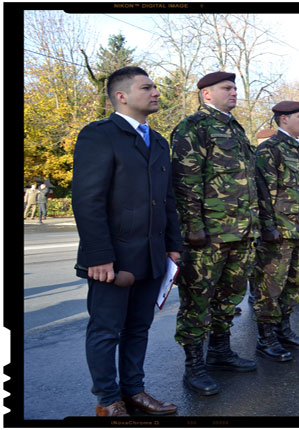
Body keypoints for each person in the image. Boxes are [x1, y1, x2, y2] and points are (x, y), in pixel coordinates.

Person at [72, 66, 182, 416]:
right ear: (121, 96)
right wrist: (99, 256)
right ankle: (108, 399)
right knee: (106, 330)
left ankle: (134, 390)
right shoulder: (99, 135)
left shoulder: (158, 140)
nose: (155, 92)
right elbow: (88, 200)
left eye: (155, 87)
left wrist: (172, 245)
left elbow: (168, 200)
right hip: (113, 257)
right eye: (146, 87)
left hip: (151, 255)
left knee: (139, 328)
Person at [170, 71, 260, 396]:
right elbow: (185, 182)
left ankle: (220, 352)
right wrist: (193, 226)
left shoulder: (235, 129)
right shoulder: (193, 127)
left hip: (241, 233)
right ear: (206, 94)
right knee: (197, 300)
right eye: (227, 88)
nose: (234, 92)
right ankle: (194, 366)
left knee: (229, 297)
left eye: (235, 87)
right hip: (208, 235)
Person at [252, 101, 299, 361]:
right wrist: (268, 227)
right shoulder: (269, 150)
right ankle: (267, 337)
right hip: (279, 233)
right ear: (283, 119)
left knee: (296, 284)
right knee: (270, 287)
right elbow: (263, 192)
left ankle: (284, 329)